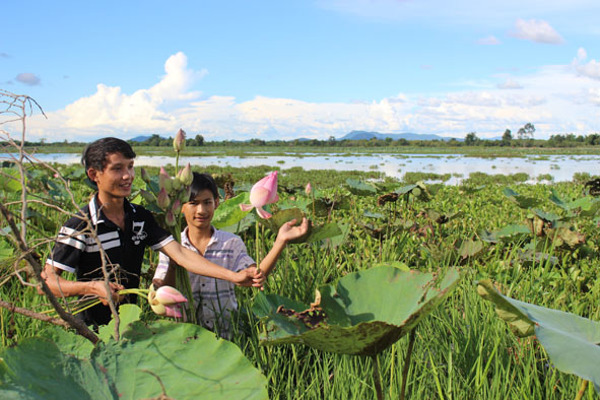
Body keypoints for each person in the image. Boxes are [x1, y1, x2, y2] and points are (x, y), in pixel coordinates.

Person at [41, 137, 263, 328]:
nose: (128, 175)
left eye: (130, 166)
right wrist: (91, 287)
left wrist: (233, 276)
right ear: (94, 174)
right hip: (91, 328)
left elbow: (182, 255)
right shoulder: (80, 225)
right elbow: (47, 282)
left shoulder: (140, 217)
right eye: (118, 169)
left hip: (130, 323)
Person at [153, 172, 309, 339]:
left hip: (227, 336)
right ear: (181, 206)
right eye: (193, 203)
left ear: (217, 203)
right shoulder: (172, 246)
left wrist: (280, 241)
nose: (201, 210)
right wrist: (173, 261)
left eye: (207, 202)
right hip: (187, 337)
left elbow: (254, 276)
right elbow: (163, 292)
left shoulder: (231, 243)